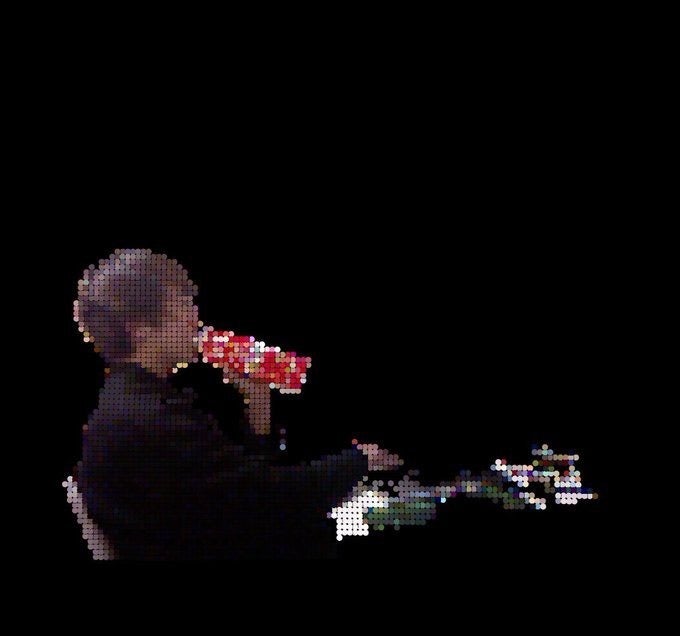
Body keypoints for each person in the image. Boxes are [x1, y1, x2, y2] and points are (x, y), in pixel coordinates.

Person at [73, 248, 400, 559]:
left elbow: (240, 483)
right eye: (181, 306)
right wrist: (361, 459)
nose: (195, 318)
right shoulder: (148, 417)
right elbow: (273, 499)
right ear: (139, 329)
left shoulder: (138, 398)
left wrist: (257, 400)